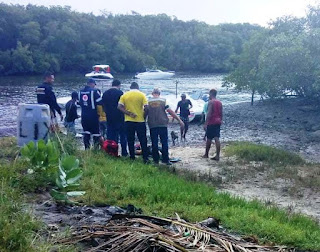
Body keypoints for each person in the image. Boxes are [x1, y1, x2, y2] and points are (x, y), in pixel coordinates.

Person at [147, 88, 184, 165]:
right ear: (159, 94)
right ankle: (165, 159)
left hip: (152, 124)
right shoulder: (163, 101)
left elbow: (146, 112)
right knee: (164, 142)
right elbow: (170, 111)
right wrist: (179, 120)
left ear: (152, 93)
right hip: (162, 123)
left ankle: (156, 160)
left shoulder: (148, 101)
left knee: (154, 143)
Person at [117, 82, 149, 163]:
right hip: (140, 120)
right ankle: (145, 158)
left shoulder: (124, 95)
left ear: (130, 87)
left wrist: (128, 113)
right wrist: (144, 116)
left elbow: (119, 107)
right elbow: (147, 108)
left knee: (130, 139)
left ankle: (132, 156)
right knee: (143, 139)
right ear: (138, 87)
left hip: (128, 120)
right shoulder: (142, 95)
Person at [102, 79, 128, 157]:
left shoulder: (105, 93)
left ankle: (112, 152)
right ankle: (124, 152)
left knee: (111, 136)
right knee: (123, 135)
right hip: (120, 117)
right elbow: (123, 105)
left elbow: (102, 105)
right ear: (119, 85)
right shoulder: (120, 93)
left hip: (109, 117)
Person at [78, 78, 102, 149]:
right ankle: (96, 149)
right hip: (93, 116)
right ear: (92, 84)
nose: (94, 86)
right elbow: (100, 102)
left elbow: (79, 103)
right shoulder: (94, 91)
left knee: (86, 132)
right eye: (94, 84)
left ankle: (87, 149)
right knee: (96, 133)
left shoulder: (80, 92)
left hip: (84, 116)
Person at [203, 89, 223, 161]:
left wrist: (205, 123)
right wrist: (221, 120)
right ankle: (217, 155)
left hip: (212, 122)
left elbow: (209, 113)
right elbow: (221, 113)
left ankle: (206, 154)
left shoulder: (211, 102)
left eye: (209, 94)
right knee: (217, 137)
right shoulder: (219, 102)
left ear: (211, 94)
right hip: (218, 121)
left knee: (209, 138)